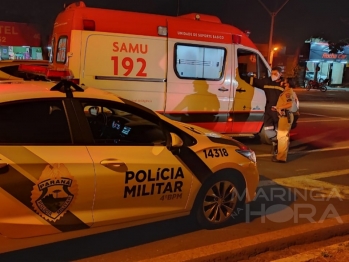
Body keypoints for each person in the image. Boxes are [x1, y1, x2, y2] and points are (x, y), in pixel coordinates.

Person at [247, 66, 285, 149]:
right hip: (268, 108)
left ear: (280, 74)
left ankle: (280, 144)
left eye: (275, 74)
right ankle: (275, 142)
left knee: (279, 128)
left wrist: (281, 107)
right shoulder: (267, 82)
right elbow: (255, 82)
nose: (273, 75)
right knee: (268, 127)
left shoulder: (284, 84)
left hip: (279, 109)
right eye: (272, 73)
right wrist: (244, 75)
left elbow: (289, 97)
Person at [271, 81, 294, 163]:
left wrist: (280, 107)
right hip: (284, 116)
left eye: (283, 82)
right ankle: (281, 156)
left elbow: (290, 104)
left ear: (287, 84)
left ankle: (281, 158)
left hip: (285, 116)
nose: (281, 83)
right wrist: (277, 107)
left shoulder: (288, 93)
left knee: (282, 137)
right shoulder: (286, 92)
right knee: (283, 137)